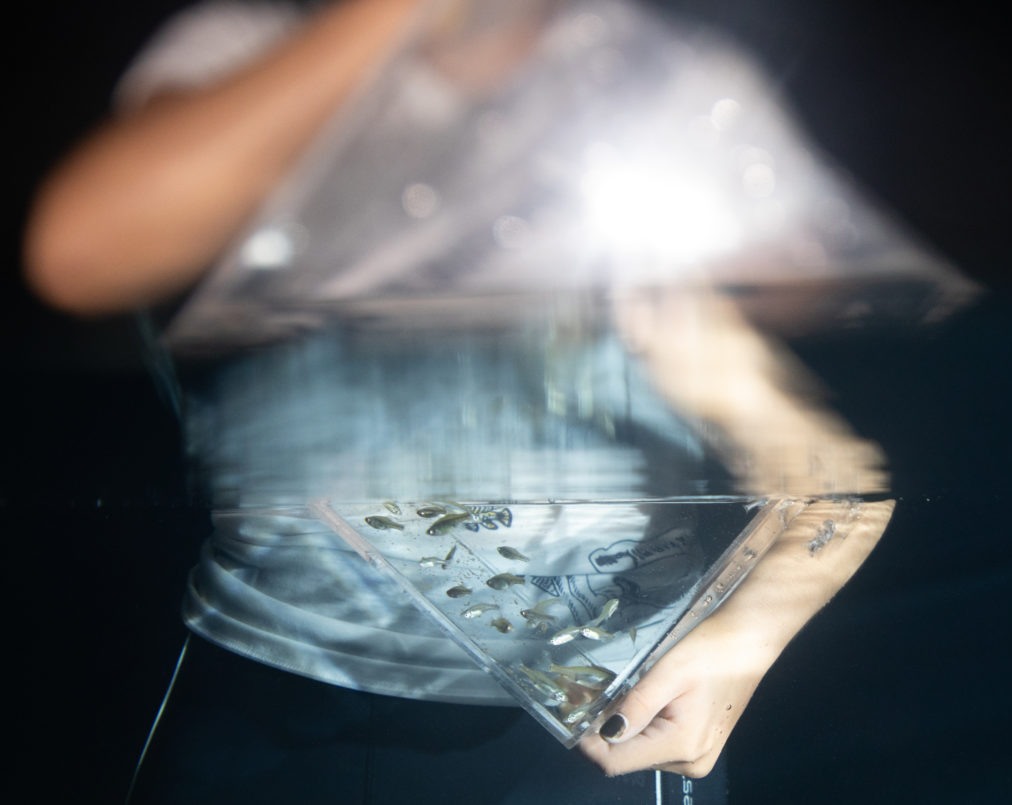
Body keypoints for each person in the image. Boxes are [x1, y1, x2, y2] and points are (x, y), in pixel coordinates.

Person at [24, 0, 895, 800]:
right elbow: (87, 249)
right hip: (267, 696)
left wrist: (740, 648)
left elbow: (839, 485)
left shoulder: (632, 124)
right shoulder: (243, 50)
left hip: (580, 722)